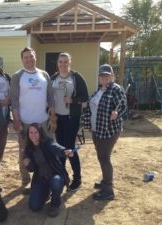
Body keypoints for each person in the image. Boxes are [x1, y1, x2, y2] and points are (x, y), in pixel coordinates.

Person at [10, 47, 56, 193]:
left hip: (43, 121)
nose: (28, 59)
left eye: (31, 56)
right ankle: (26, 180)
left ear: (35, 57)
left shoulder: (44, 75)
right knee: (24, 152)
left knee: (48, 149)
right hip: (25, 122)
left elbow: (50, 97)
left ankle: (49, 176)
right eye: (25, 57)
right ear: (22, 59)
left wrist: (53, 119)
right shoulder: (17, 76)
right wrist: (16, 120)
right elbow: (14, 100)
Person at [84, 64, 127, 200]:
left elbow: (124, 108)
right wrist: (89, 125)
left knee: (104, 158)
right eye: (102, 75)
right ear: (99, 77)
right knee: (101, 157)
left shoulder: (116, 90)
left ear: (112, 76)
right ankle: (104, 182)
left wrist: (117, 113)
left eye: (107, 75)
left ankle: (108, 190)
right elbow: (91, 109)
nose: (104, 77)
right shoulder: (98, 91)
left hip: (109, 131)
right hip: (97, 130)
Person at [51, 52, 89, 191]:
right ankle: (62, 176)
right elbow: (49, 97)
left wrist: (73, 100)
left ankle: (77, 178)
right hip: (58, 118)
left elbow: (85, 96)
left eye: (65, 62)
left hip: (71, 117)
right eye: (61, 62)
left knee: (69, 146)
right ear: (57, 63)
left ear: (70, 62)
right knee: (60, 147)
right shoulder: (53, 78)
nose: (63, 64)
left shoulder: (76, 77)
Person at [23, 123, 73, 217]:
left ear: (40, 133)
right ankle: (46, 191)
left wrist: (64, 151)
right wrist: (27, 164)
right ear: (28, 134)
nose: (33, 135)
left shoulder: (48, 142)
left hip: (55, 175)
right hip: (41, 178)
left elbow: (56, 147)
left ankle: (55, 204)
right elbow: (31, 169)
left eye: (36, 132)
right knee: (34, 207)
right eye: (31, 132)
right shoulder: (28, 149)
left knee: (56, 182)